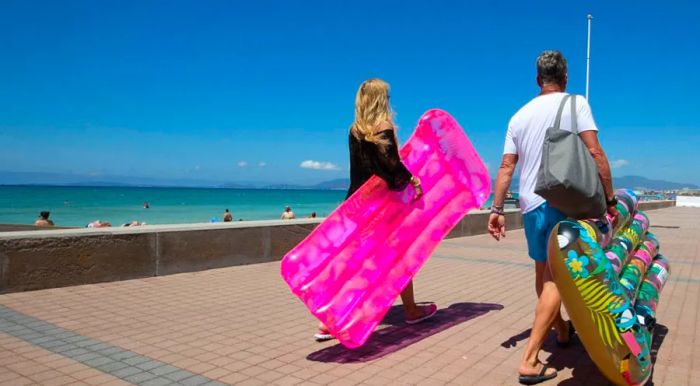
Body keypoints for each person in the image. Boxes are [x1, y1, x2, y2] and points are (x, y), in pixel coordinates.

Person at [488, 50, 619, 385]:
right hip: (565, 201)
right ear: (565, 77)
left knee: (542, 271)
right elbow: (595, 152)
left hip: (531, 205)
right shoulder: (576, 104)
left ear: (537, 79)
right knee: (556, 279)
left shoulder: (518, 116)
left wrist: (497, 209)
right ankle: (530, 359)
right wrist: (610, 198)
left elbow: (506, 167)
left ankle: (560, 330)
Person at [314, 78, 436, 342]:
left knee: (355, 262)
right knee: (400, 258)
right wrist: (414, 180)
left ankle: (330, 321)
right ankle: (412, 310)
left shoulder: (355, 130)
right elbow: (391, 166)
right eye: (388, 96)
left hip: (355, 204)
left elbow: (363, 170)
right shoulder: (384, 127)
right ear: (382, 100)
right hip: (381, 208)